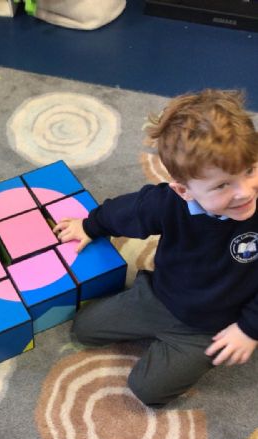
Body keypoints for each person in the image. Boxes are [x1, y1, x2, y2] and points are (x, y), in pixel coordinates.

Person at [53, 89, 258, 406]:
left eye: (250, 170)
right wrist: (90, 225)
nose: (245, 192)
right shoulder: (167, 203)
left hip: (213, 327)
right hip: (160, 296)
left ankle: (183, 350)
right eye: (222, 185)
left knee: (147, 390)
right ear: (183, 190)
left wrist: (248, 329)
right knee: (84, 328)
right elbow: (127, 211)